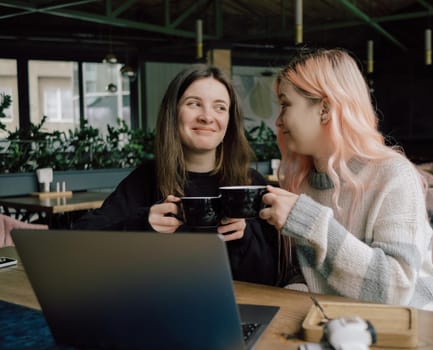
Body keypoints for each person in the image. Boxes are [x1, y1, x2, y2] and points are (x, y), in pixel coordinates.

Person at [259, 48, 433, 313]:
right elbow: (312, 275)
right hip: (345, 325)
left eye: (285, 104)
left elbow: (395, 291)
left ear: (325, 109)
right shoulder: (305, 183)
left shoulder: (394, 176)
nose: (278, 120)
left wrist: (308, 221)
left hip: (420, 327)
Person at [73, 64, 279, 286]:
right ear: (173, 113)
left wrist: (244, 236)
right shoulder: (146, 179)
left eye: (220, 107)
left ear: (229, 122)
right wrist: (143, 224)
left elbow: (271, 278)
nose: (207, 117)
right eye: (194, 104)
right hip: (162, 304)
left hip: (240, 310)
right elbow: (81, 239)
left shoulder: (249, 185)